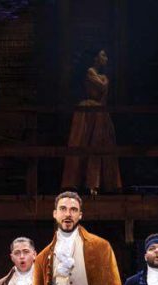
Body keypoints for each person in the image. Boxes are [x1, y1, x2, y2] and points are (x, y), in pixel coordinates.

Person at [61, 49, 122, 195]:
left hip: (99, 112)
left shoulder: (100, 75)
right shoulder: (90, 72)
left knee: (99, 143)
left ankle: (97, 183)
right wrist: (105, 79)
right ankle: (84, 182)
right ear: (96, 58)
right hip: (88, 111)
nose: (106, 58)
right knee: (84, 142)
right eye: (103, 55)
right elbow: (102, 86)